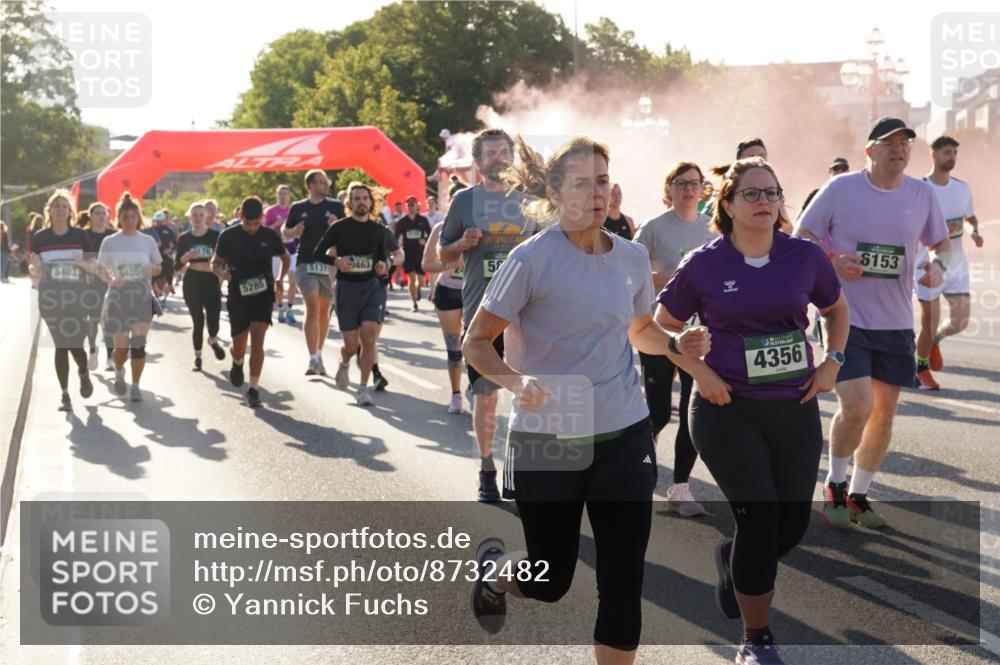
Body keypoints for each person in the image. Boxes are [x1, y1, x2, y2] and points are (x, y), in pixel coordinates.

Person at [463, 135, 710, 664]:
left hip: (624, 430)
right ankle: (496, 574)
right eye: (582, 183)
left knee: (624, 579)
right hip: (551, 431)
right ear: (555, 192)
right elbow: (476, 342)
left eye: (602, 180)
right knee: (551, 579)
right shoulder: (532, 259)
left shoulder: (631, 256)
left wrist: (672, 345)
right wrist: (516, 383)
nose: (597, 193)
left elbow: (640, 330)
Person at [660, 157, 849, 665]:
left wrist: (832, 361)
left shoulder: (805, 257)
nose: (765, 201)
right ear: (726, 204)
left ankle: (732, 556)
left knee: (789, 527)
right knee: (761, 521)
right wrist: (699, 368)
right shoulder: (703, 263)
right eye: (752, 194)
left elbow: (835, 309)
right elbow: (661, 326)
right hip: (726, 407)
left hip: (795, 402)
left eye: (772, 193)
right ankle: (756, 636)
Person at [796, 117, 950, 530]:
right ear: (870, 151)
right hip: (846, 317)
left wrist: (938, 266)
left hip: (896, 321)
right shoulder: (841, 188)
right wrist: (832, 260)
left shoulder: (921, 194)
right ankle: (836, 487)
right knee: (857, 406)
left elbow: (942, 244)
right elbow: (802, 234)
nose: (899, 150)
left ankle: (861, 495)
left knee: (884, 413)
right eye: (890, 144)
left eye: (906, 144)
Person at [439, 128, 537, 502]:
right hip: (485, 312)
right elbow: (445, 255)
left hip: (531, 313)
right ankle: (486, 468)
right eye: (491, 153)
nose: (499, 158)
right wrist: (462, 244)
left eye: (503, 151)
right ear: (477, 163)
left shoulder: (531, 200)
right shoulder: (465, 201)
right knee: (488, 395)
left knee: (533, 392)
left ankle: (524, 467)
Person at [634, 162, 717, 517]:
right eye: (681, 183)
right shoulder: (653, 228)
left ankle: (680, 486)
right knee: (657, 412)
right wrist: (672, 277)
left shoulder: (713, 228)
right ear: (670, 189)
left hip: (696, 333)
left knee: (690, 410)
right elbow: (632, 275)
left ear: (703, 190)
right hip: (659, 329)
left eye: (695, 184)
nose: (688, 189)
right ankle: (639, 466)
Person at [311, 182, 390, 406]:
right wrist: (336, 261)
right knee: (351, 345)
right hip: (346, 289)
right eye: (356, 198)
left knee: (369, 338)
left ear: (371, 202)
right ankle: (344, 362)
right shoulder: (339, 228)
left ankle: (363, 389)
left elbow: (382, 258)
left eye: (365, 198)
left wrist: (383, 266)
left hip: (371, 289)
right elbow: (317, 253)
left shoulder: (379, 230)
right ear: (350, 203)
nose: (361, 202)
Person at [913, 135, 982, 390]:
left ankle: (936, 341)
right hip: (926, 264)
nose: (951, 157)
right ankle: (920, 367)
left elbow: (971, 217)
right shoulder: (919, 189)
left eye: (954, 152)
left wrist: (974, 230)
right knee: (929, 321)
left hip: (957, 263)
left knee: (961, 321)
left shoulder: (962, 188)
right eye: (946, 153)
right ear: (934, 155)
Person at [213, 196, 289, 408]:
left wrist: (280, 279)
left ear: (262, 219)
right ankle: (237, 361)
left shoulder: (269, 235)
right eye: (248, 223)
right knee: (239, 345)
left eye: (257, 223)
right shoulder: (228, 236)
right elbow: (215, 263)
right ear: (240, 217)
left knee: (258, 338)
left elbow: (285, 257)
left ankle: (253, 389)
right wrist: (222, 273)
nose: (253, 228)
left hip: (263, 292)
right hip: (238, 292)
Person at [28, 190, 95, 411]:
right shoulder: (40, 237)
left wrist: (82, 263)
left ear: (70, 211)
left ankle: (83, 373)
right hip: (50, 299)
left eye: (64, 206)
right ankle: (65, 395)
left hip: (76, 298)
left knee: (76, 345)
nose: (60, 209)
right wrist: (33, 268)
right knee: (60, 345)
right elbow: (34, 266)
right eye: (56, 206)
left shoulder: (80, 236)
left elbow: (92, 266)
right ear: (50, 210)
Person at [97, 193, 162, 402]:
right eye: (125, 217)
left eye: (133, 216)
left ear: (138, 217)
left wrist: (149, 269)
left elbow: (159, 267)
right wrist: (112, 280)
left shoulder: (147, 240)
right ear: (119, 218)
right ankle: (119, 372)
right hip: (118, 296)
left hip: (141, 296)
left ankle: (135, 385)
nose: (129, 220)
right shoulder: (110, 241)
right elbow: (100, 269)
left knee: (139, 345)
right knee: (121, 347)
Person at [282, 169, 346, 376]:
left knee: (323, 310)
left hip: (328, 265)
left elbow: (350, 233)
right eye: (320, 182)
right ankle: (312, 359)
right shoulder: (298, 207)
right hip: (306, 263)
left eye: (326, 182)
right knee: (311, 306)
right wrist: (293, 232)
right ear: (310, 185)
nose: (325, 185)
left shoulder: (336, 206)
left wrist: (336, 226)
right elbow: (285, 231)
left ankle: (319, 353)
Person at [422, 216, 465, 413]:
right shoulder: (441, 228)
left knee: (476, 344)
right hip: (449, 292)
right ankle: (456, 395)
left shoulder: (484, 228)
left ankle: (475, 386)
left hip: (477, 292)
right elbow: (427, 264)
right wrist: (451, 265)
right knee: (454, 349)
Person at [175, 201, 225, 371]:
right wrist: (186, 257)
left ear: (207, 216)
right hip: (192, 280)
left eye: (201, 215)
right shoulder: (185, 238)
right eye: (194, 215)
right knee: (198, 320)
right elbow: (176, 266)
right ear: (190, 217)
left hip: (211, 280)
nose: (197, 218)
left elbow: (223, 260)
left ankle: (212, 339)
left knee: (214, 318)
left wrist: (222, 276)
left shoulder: (215, 236)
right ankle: (198, 357)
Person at [81, 202, 117, 371]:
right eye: (98, 213)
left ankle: (110, 357)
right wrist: (85, 273)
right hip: (90, 284)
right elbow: (79, 259)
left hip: (109, 283)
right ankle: (93, 351)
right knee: (93, 319)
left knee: (109, 320)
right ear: (91, 216)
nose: (101, 217)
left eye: (104, 213)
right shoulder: (84, 235)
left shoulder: (113, 236)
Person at [264, 185, 298, 324]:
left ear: (289, 195)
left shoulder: (293, 210)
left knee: (293, 281)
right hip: (276, 250)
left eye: (285, 193)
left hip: (291, 247)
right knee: (278, 281)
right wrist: (276, 224)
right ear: (277, 195)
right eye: (280, 193)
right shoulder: (271, 211)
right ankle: (279, 308)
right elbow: (264, 230)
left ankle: (289, 308)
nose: (283, 196)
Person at [394, 195, 433, 312]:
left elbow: (431, 235)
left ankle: (418, 290)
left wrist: (424, 241)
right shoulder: (402, 222)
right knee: (411, 278)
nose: (410, 206)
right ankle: (414, 303)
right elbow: (395, 237)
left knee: (421, 281)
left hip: (420, 254)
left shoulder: (422, 220)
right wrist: (397, 248)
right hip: (408, 254)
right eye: (408, 205)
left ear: (417, 206)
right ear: (406, 206)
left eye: (412, 204)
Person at [144, 210, 177, 305]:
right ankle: (155, 295)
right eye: (156, 221)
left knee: (168, 273)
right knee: (152, 277)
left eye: (160, 221)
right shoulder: (150, 230)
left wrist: (170, 249)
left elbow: (174, 243)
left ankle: (168, 289)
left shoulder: (169, 230)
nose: (158, 223)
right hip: (152, 258)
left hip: (165, 257)